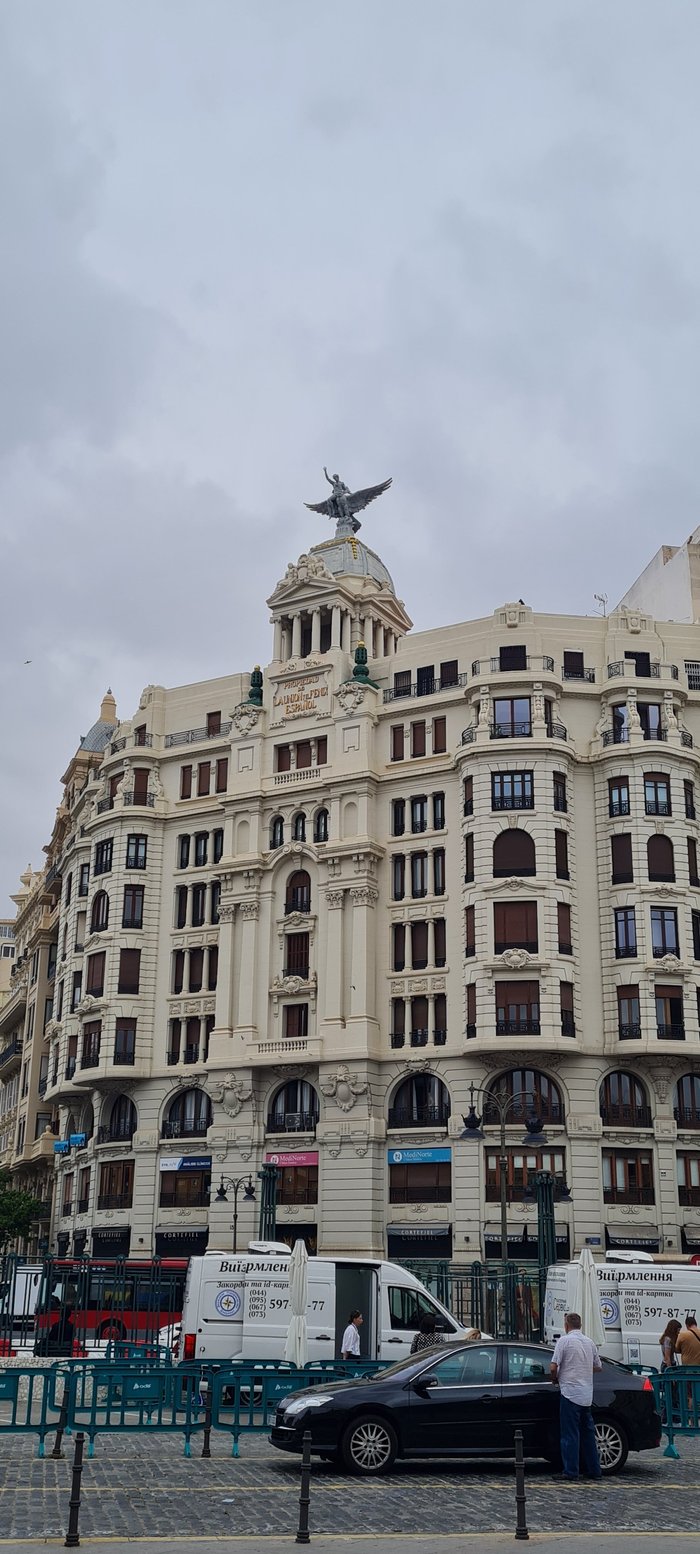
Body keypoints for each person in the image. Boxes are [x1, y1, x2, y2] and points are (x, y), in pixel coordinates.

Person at [550, 1311, 603, 1481]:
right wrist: (584, 1369)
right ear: (580, 1325)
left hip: (570, 1392)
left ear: (566, 1325)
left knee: (569, 1434)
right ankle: (594, 1469)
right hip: (586, 1393)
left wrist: (555, 1379)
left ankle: (571, 1470)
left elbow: (553, 1366)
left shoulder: (564, 1341)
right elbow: (598, 1366)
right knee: (588, 1434)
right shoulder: (589, 1342)